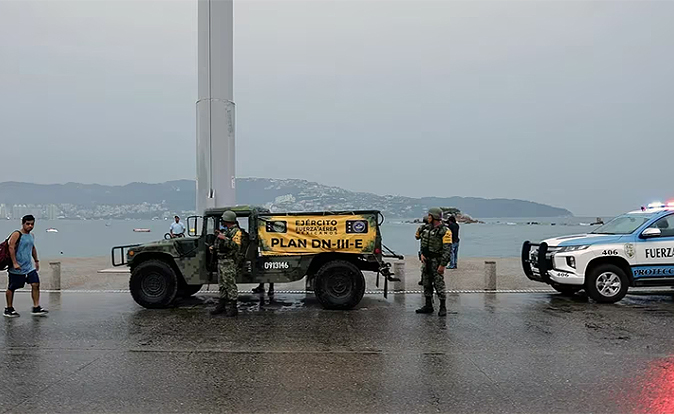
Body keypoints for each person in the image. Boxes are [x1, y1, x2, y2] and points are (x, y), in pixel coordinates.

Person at [4, 215, 48, 317]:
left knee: (35, 284)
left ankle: (36, 307)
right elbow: (11, 248)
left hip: (29, 267)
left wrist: (36, 260)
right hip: (17, 267)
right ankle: (9, 308)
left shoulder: (31, 235)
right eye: (28, 224)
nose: (30, 226)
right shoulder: (17, 234)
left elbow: (32, 248)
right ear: (23, 223)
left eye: (32, 224)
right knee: (12, 287)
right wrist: (15, 263)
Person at [416, 207, 452, 316]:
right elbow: (421, 241)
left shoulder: (445, 231)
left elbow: (447, 250)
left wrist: (442, 265)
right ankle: (428, 305)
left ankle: (442, 306)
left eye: (430, 215)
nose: (428, 217)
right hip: (427, 261)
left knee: (439, 284)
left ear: (435, 217)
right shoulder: (426, 229)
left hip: (437, 261)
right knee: (426, 283)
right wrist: (422, 254)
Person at [210, 210, 247, 316]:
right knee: (222, 284)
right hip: (221, 261)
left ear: (228, 220)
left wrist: (224, 238)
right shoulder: (226, 231)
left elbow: (236, 246)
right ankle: (221, 306)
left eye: (223, 219)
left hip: (229, 261)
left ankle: (233, 307)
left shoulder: (236, 232)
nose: (222, 221)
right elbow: (221, 244)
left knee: (230, 284)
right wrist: (213, 247)